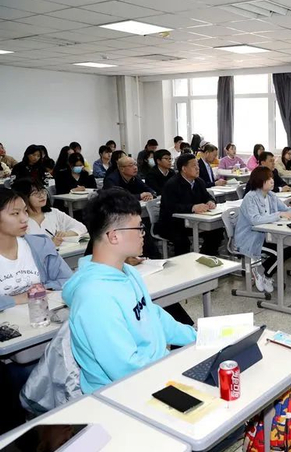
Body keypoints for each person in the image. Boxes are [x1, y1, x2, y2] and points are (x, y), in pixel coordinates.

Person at [63, 188, 196, 394]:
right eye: (139, 228)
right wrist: (174, 372)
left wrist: (199, 337)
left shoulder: (127, 272)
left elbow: (153, 317)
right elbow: (125, 368)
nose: (144, 234)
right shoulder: (94, 297)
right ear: (114, 236)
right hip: (122, 393)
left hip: (154, 373)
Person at [0, 188, 72, 310]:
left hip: (41, 316)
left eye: (25, 211)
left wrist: (39, 290)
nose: (24, 218)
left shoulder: (40, 245)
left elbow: (67, 279)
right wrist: (16, 299)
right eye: (15, 213)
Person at [236, 167, 291, 293]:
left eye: (272, 178)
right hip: (251, 238)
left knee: (290, 247)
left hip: (267, 235)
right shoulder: (250, 197)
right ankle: (263, 272)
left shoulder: (271, 195)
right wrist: (279, 215)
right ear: (259, 181)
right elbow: (255, 220)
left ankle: (265, 272)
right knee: (278, 252)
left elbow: (285, 209)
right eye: (268, 179)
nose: (272, 181)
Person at [158, 154, 223, 256]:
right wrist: (192, 208)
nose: (198, 168)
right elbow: (171, 207)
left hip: (193, 221)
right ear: (184, 169)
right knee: (182, 241)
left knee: (216, 230)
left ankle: (205, 257)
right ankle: (183, 263)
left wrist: (211, 201)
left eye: (198, 165)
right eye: (194, 166)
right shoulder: (172, 184)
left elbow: (207, 196)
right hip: (172, 223)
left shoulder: (199, 181)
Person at [12, 178, 87, 246]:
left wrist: (65, 234)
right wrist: (49, 244)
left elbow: (82, 227)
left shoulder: (54, 213)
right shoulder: (20, 221)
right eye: (35, 194)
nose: (42, 196)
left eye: (43, 191)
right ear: (23, 198)